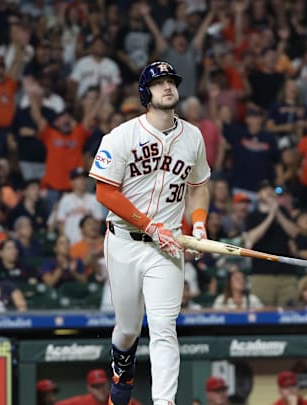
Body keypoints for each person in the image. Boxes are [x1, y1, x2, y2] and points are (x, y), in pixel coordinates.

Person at [88, 61, 210, 405]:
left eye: (171, 81)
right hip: (125, 241)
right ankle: (121, 366)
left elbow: (199, 186)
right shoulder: (122, 136)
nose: (167, 86)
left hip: (168, 246)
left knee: (163, 326)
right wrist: (150, 226)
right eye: (159, 83)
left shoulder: (194, 136)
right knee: (127, 329)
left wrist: (198, 223)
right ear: (146, 92)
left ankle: (164, 402)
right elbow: (105, 192)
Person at [56, 368, 141, 405]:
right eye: (96, 387)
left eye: (102, 385)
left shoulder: (120, 400)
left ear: (107, 384)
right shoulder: (81, 401)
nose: (100, 389)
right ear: (89, 388)